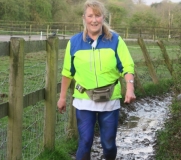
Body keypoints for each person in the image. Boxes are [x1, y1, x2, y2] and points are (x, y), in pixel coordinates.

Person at [57, 0, 136, 159]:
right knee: (85, 142)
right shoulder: (74, 42)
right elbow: (67, 72)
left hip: (110, 101)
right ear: (84, 18)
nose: (94, 20)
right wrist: (62, 97)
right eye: (90, 16)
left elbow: (127, 66)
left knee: (108, 144)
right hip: (84, 100)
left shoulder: (115, 40)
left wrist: (130, 87)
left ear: (103, 17)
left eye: (98, 16)